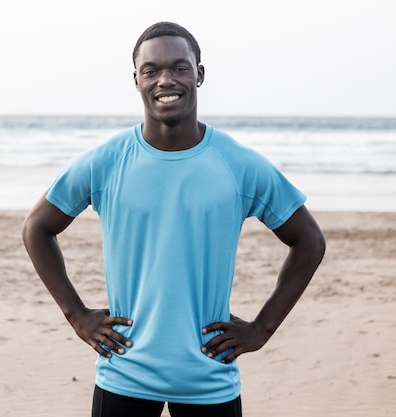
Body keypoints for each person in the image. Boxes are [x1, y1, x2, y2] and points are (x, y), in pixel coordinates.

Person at [22, 21, 326, 417]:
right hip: (125, 373)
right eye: (151, 70)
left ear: (199, 73)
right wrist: (77, 316)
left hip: (208, 379)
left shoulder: (239, 165)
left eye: (179, 67)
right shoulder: (106, 162)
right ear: (136, 80)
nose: (166, 79)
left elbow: (309, 241)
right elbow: (37, 228)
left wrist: (261, 329)